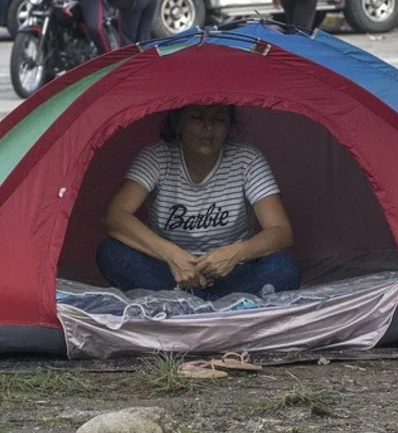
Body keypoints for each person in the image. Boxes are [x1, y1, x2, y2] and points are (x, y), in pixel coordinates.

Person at [97, 104, 299, 298]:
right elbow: (114, 217)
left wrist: (235, 254)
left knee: (284, 268)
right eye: (197, 117)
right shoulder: (156, 157)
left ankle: (190, 307)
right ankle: (221, 310)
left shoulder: (247, 159)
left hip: (233, 274)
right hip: (171, 274)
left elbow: (281, 232)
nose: (208, 128)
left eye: (219, 119)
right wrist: (173, 256)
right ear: (178, 123)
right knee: (111, 253)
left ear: (229, 127)